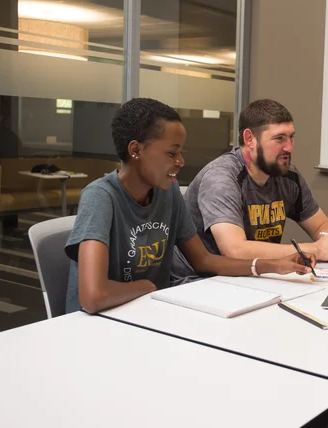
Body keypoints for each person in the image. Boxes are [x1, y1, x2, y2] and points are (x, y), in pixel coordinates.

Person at [64, 98, 314, 314]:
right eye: (171, 154)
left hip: (145, 310)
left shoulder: (168, 192)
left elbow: (204, 261)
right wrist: (148, 287)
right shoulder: (100, 197)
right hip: (98, 325)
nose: (181, 162)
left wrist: (275, 265)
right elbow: (93, 297)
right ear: (135, 150)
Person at [171, 99, 328, 284]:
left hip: (254, 276)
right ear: (249, 139)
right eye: (279, 138)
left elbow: (320, 226)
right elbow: (235, 250)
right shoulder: (221, 178)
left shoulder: (288, 175)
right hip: (200, 280)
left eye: (291, 137)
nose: (289, 147)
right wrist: (318, 249)